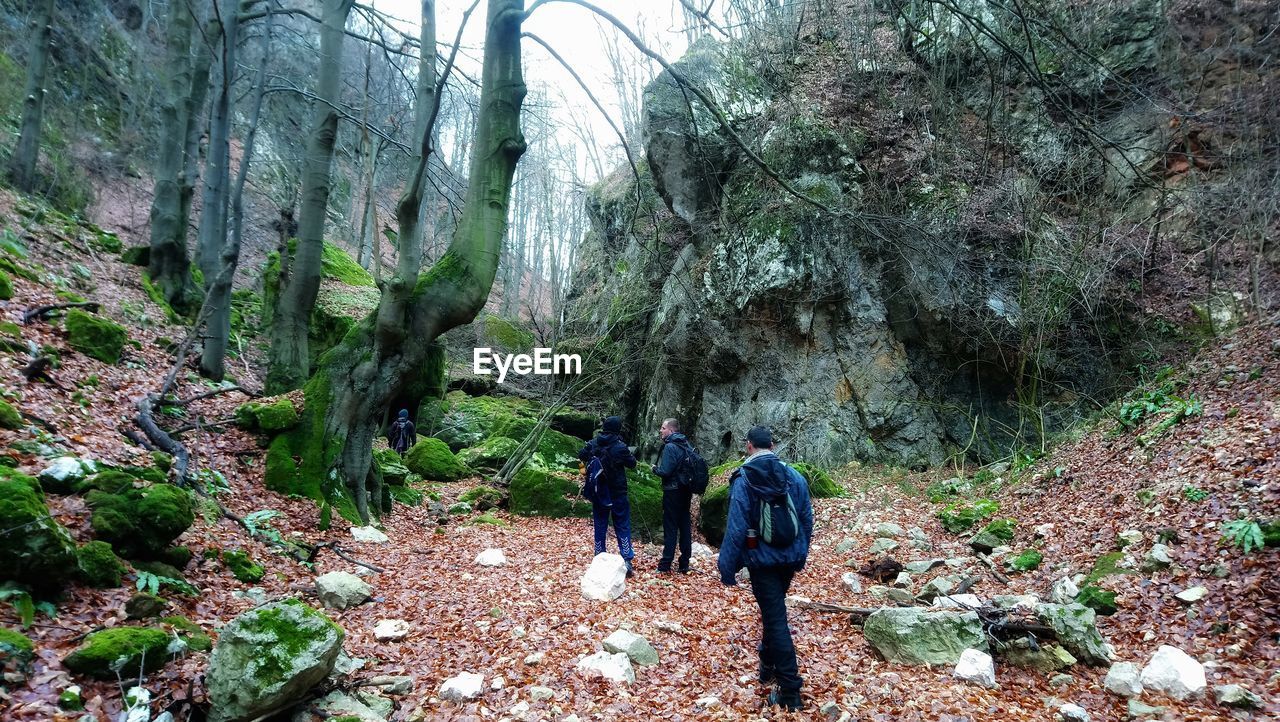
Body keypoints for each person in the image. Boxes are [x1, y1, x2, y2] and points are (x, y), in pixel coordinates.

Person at [717, 426, 814, 712]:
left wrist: (727, 567)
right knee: (774, 613)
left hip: (762, 561)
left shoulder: (743, 479)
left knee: (775, 619)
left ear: (748, 447)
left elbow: (736, 528)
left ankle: (790, 691)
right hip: (788, 559)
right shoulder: (793, 476)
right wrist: (801, 554)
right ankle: (767, 665)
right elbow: (806, 519)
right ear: (772, 445)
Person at [578, 416, 638, 576]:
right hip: (618, 492)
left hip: (599, 491)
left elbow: (581, 454)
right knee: (622, 524)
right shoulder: (620, 447)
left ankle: (599, 556)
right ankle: (626, 559)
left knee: (600, 524)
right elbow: (632, 463)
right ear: (617, 429)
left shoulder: (593, 443)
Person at [652, 418, 693, 574]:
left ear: (671, 430)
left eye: (663, 428)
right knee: (684, 525)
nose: (660, 431)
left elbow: (666, 471)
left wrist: (655, 469)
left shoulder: (670, 447)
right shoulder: (686, 444)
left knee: (670, 527)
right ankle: (684, 563)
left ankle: (665, 564)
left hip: (673, 491)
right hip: (686, 491)